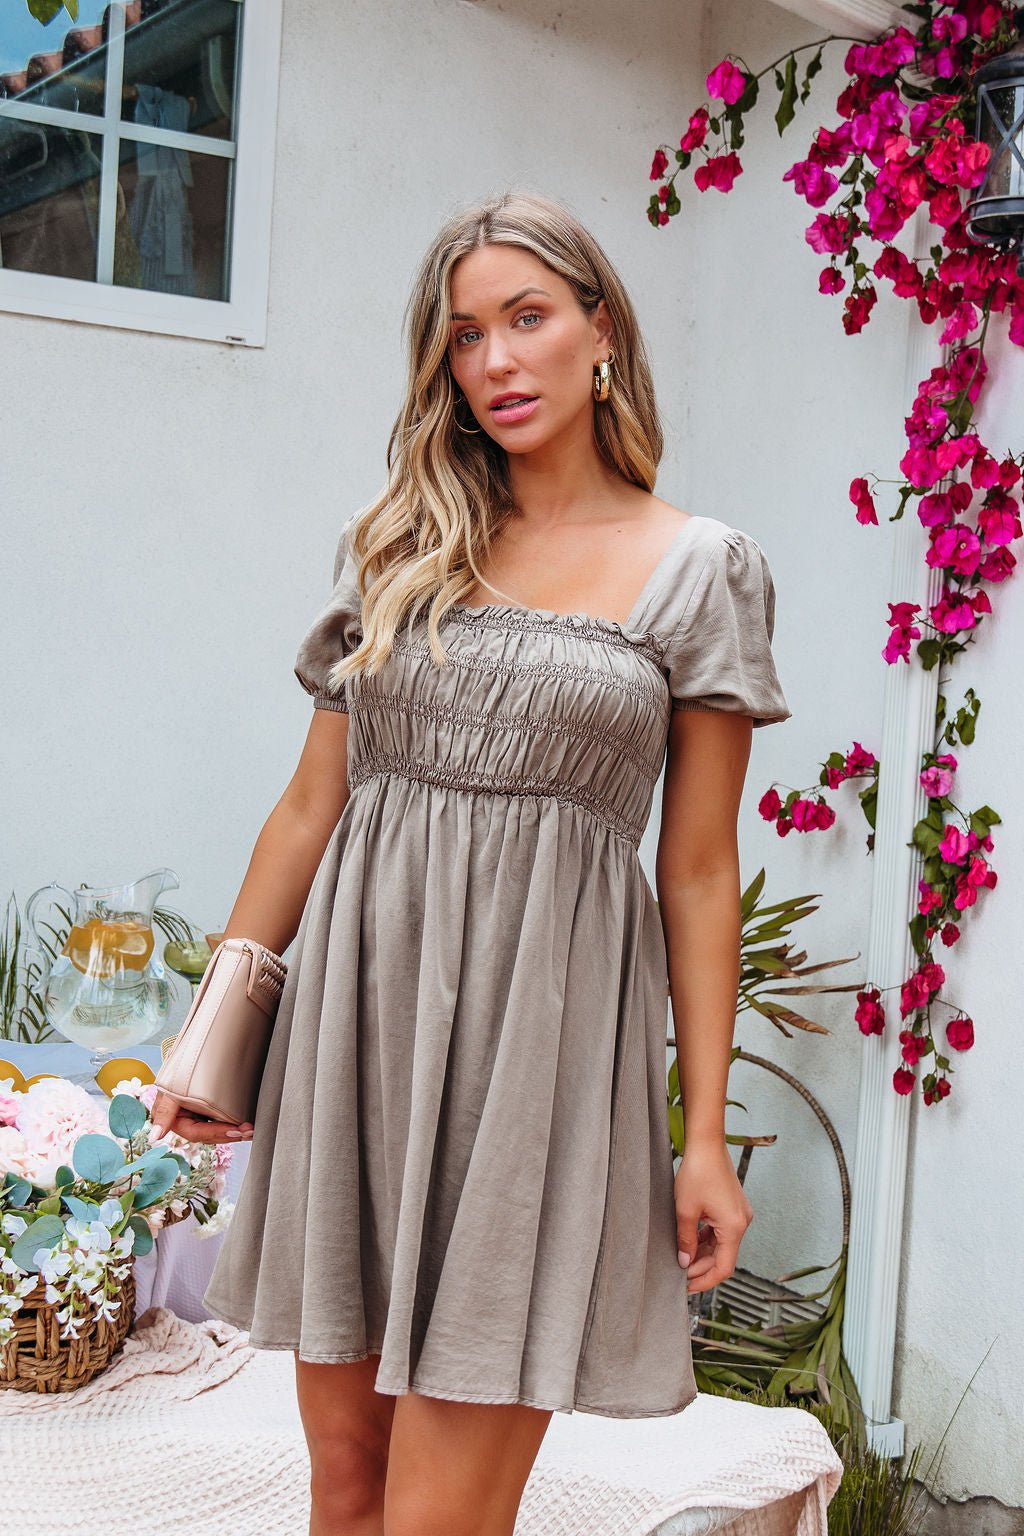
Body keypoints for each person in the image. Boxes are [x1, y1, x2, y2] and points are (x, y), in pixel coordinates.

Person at [150, 188, 792, 1536]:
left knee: (439, 1518)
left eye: (527, 318)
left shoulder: (700, 570)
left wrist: (706, 1137)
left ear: (598, 330)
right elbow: (308, 810)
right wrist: (211, 1036)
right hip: (360, 1039)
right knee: (346, 1487)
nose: (495, 361)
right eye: (462, 337)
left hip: (539, 1069)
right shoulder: (397, 546)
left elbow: (697, 872)